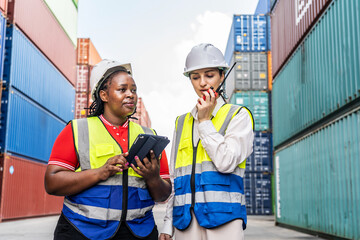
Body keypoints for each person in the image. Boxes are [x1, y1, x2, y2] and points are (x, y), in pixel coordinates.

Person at [45, 59, 172, 240]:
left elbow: (163, 195)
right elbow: (52, 183)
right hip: (82, 231)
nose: (131, 95)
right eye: (122, 89)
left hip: (139, 233)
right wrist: (101, 172)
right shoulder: (77, 130)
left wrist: (152, 178)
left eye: (133, 90)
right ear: (104, 95)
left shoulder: (149, 135)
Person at [159, 43, 254, 240]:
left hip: (224, 221)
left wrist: (204, 121)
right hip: (185, 222)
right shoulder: (182, 122)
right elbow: (175, 177)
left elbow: (226, 162)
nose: (202, 83)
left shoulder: (238, 116)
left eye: (209, 75)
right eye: (195, 77)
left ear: (222, 75)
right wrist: (168, 224)